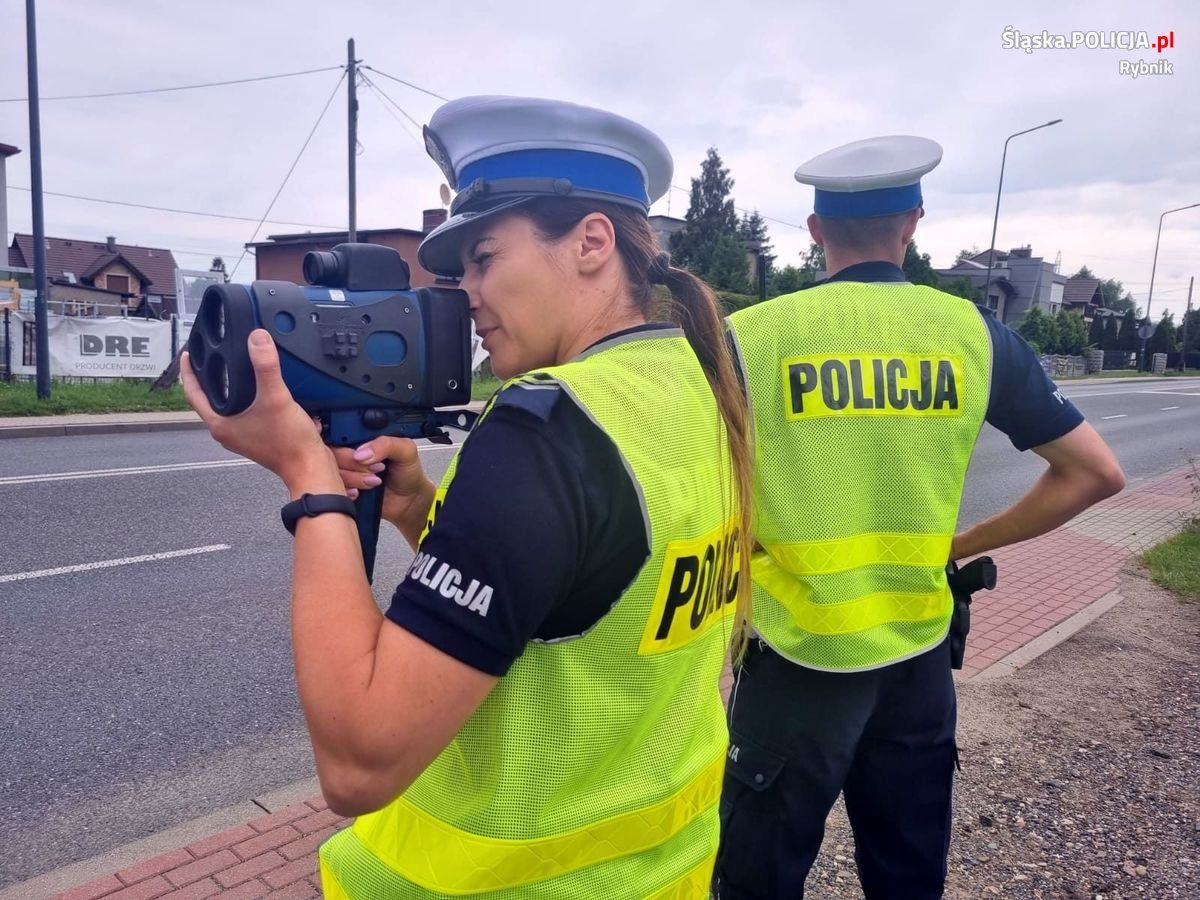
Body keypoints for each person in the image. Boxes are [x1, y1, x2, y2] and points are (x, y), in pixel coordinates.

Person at [182, 95, 753, 899]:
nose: (467, 294)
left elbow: (360, 762)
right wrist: (418, 508)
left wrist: (307, 480)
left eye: (484, 258)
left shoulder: (548, 426)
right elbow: (595, 595)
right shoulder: (702, 387)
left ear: (592, 241)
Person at [713, 136, 1126, 899]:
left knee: (753, 881)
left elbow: (695, 494)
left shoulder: (753, 337)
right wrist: (964, 543)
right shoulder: (973, 334)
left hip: (796, 664)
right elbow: (1095, 474)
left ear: (813, 232)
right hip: (919, 662)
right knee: (907, 881)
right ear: (912, 224)